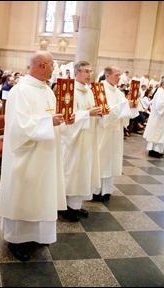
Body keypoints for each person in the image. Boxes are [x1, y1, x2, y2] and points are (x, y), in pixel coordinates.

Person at [0, 51, 71, 262]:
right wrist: (49, 122)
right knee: (24, 196)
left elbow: (53, 117)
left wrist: (64, 119)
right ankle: (17, 240)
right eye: (51, 65)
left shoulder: (47, 90)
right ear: (41, 65)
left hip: (45, 154)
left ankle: (37, 235)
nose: (53, 69)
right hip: (27, 155)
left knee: (40, 195)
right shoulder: (20, 91)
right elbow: (18, 127)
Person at [59, 61, 102, 222]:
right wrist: (88, 113)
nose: (89, 74)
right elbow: (67, 116)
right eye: (86, 71)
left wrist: (98, 112)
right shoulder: (70, 90)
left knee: (83, 171)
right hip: (74, 139)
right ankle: (65, 207)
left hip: (88, 136)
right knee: (72, 172)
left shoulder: (89, 90)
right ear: (76, 72)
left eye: (91, 71)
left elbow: (90, 110)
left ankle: (75, 205)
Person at [92, 66, 137, 201]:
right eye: (117, 75)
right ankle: (96, 190)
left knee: (112, 159)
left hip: (116, 131)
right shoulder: (99, 89)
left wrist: (130, 105)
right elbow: (103, 112)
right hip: (104, 131)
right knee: (102, 159)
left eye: (119, 75)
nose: (119, 78)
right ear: (107, 75)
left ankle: (106, 190)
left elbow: (125, 111)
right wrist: (124, 106)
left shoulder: (118, 92)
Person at [143, 77, 164, 158]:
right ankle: (153, 151)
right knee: (156, 134)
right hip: (158, 117)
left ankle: (158, 150)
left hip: (163, 117)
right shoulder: (160, 93)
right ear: (163, 84)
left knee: (160, 134)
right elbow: (159, 106)